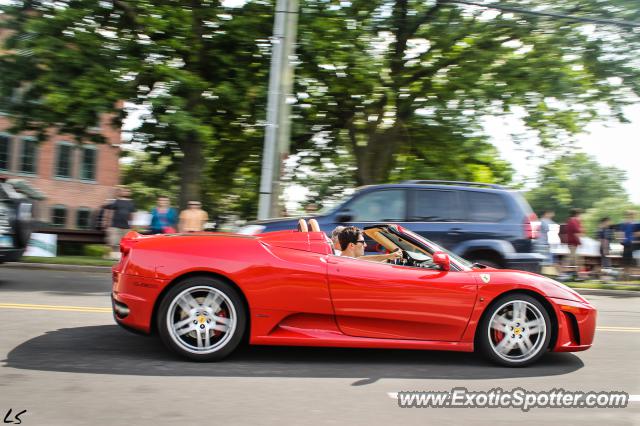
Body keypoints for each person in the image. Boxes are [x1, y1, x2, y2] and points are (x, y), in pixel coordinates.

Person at [337, 226, 401, 262]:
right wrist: (389, 256)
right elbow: (361, 260)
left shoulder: (339, 257)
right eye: (362, 242)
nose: (365, 245)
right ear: (352, 245)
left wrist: (388, 259)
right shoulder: (346, 262)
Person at [105, 186, 136, 260]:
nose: (126, 192)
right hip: (115, 225)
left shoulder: (131, 203)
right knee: (113, 242)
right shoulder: (116, 201)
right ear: (122, 192)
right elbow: (111, 212)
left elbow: (132, 215)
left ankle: (122, 258)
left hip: (126, 226)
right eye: (125, 191)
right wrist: (108, 223)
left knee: (125, 244)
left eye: (128, 191)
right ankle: (110, 256)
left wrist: (132, 225)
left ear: (130, 193)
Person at [563, 208, 583, 279]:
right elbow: (576, 232)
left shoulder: (570, 220)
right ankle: (564, 274)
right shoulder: (573, 221)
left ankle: (575, 274)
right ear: (577, 214)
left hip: (572, 242)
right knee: (572, 258)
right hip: (573, 243)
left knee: (574, 259)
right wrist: (579, 241)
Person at [619, 211, 638, 278]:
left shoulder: (631, 224)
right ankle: (625, 275)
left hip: (629, 244)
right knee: (627, 261)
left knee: (627, 261)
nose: (632, 217)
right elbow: (621, 234)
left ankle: (626, 276)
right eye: (632, 215)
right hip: (628, 244)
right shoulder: (626, 224)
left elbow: (621, 234)